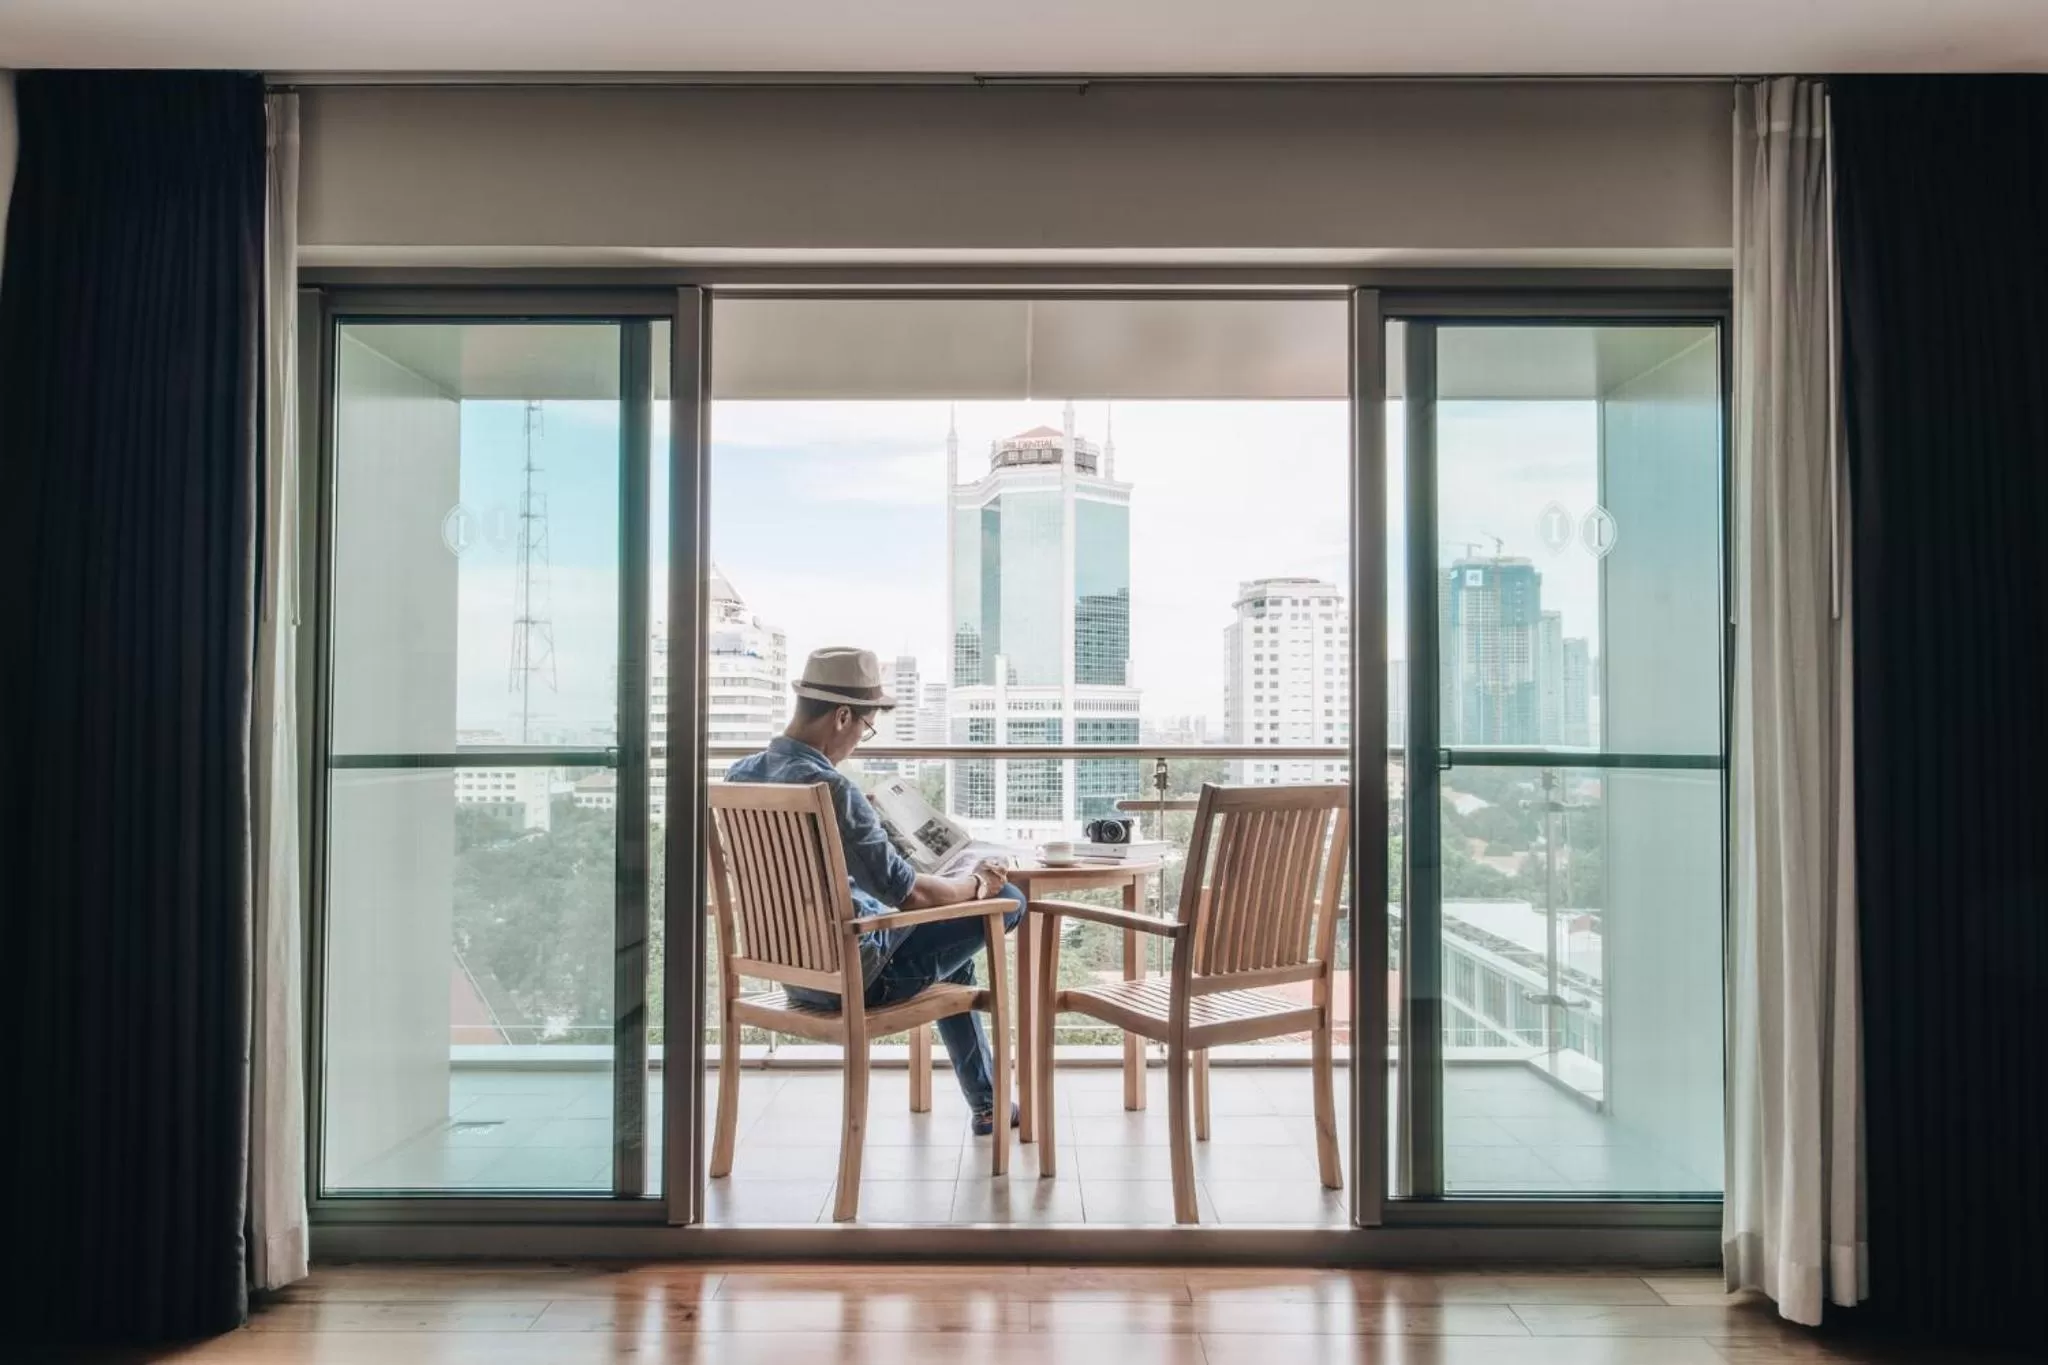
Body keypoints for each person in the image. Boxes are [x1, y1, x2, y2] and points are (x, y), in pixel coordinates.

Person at [726, 646, 1025, 1135]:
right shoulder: (831, 790)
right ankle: (990, 1102)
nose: (860, 742)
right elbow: (911, 898)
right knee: (1008, 901)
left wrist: (865, 825)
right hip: (859, 982)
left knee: (953, 951)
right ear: (842, 716)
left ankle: (988, 1103)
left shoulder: (740, 776)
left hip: (797, 975)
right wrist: (977, 883)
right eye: (865, 727)